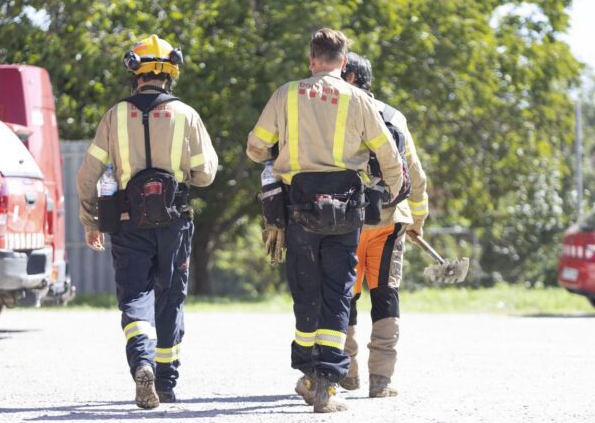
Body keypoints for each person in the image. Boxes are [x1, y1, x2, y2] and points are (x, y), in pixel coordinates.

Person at [246, 28, 404, 413]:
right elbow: (388, 154)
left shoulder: (286, 94)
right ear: (343, 61)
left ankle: (307, 371)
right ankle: (327, 384)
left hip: (299, 208)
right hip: (346, 210)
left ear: (312, 59)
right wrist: (396, 191)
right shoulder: (358, 99)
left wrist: (277, 153)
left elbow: (255, 148)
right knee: (338, 292)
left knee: (306, 288)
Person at [76, 34, 218, 409]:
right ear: (171, 71)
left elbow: (87, 175)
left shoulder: (114, 115)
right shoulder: (186, 114)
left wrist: (90, 220)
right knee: (170, 298)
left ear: (133, 71)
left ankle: (142, 362)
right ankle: (166, 383)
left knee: (135, 298)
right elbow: (206, 174)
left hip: (125, 223)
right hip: (174, 223)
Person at [339, 52, 429, 397]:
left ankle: (348, 372)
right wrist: (417, 219)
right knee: (385, 296)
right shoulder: (393, 116)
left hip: (346, 221)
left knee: (344, 294)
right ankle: (381, 380)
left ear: (347, 78)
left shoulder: (338, 115)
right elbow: (416, 176)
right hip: (390, 222)